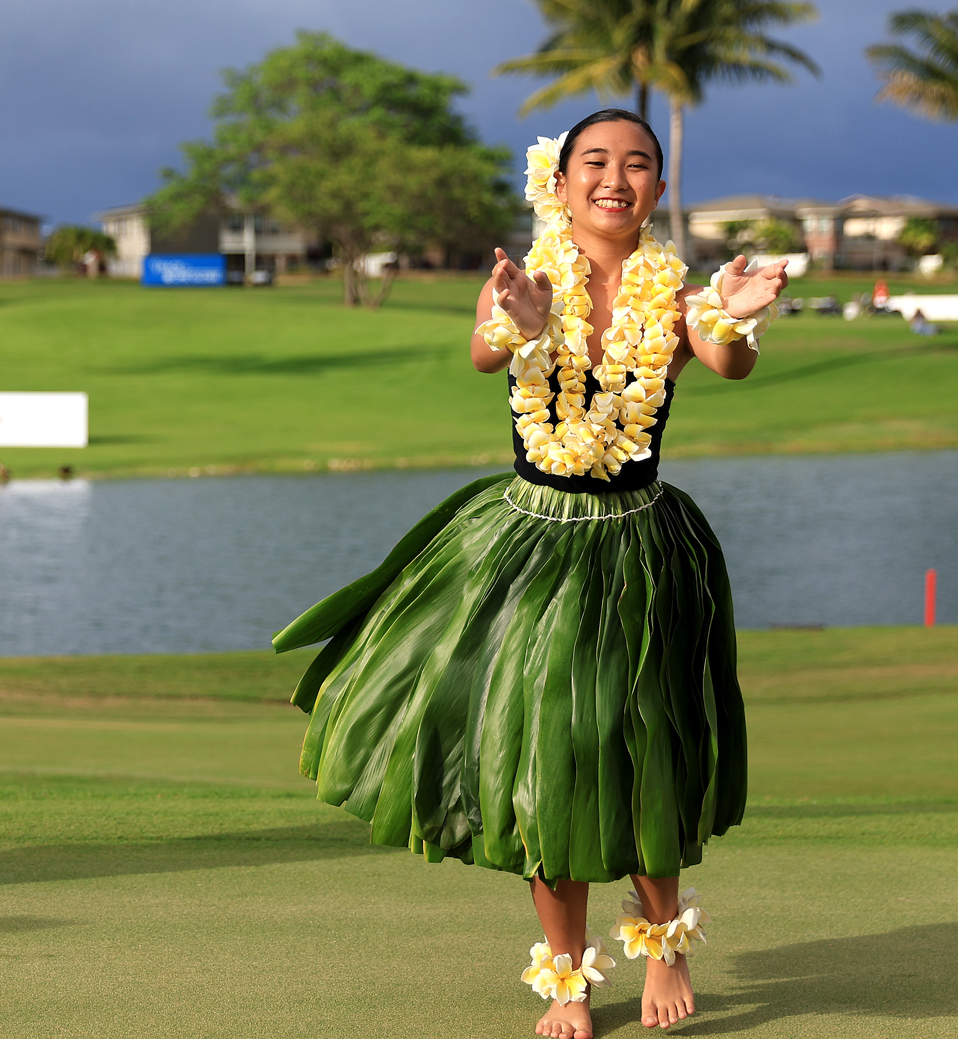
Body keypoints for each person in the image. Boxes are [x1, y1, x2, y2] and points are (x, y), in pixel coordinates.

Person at [274, 109, 783, 1038]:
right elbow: (481, 352)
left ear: (658, 191)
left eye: (638, 164)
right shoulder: (523, 277)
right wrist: (516, 323)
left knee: (644, 740)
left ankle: (665, 941)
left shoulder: (673, 292)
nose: (615, 178)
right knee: (550, 750)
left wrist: (740, 320)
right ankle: (568, 978)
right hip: (531, 542)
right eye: (596, 161)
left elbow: (725, 360)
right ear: (560, 182)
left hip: (639, 545)